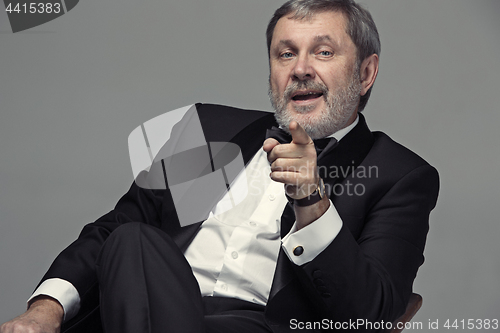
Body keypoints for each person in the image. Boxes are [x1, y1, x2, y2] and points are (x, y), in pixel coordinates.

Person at [0, 0, 439, 332]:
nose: (301, 69)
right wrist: (46, 310)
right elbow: (112, 232)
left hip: (255, 326)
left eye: (322, 52)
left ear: (365, 73)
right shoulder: (209, 128)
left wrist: (312, 202)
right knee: (132, 238)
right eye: (285, 54)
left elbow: (370, 314)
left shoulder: (398, 174)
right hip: (141, 312)